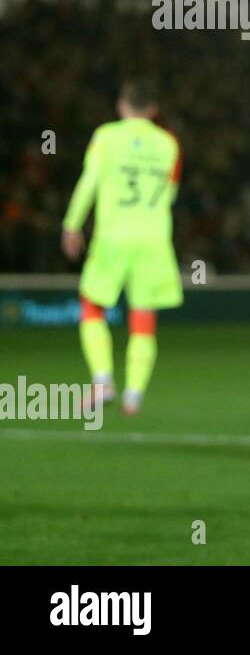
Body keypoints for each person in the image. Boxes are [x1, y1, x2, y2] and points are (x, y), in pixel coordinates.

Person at [62, 79, 183, 416]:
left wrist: (72, 224)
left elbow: (90, 180)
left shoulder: (106, 136)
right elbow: (170, 194)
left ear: (121, 105)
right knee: (143, 314)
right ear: (153, 110)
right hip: (154, 239)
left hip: (113, 237)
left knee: (92, 306)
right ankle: (134, 395)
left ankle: (102, 381)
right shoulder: (169, 144)